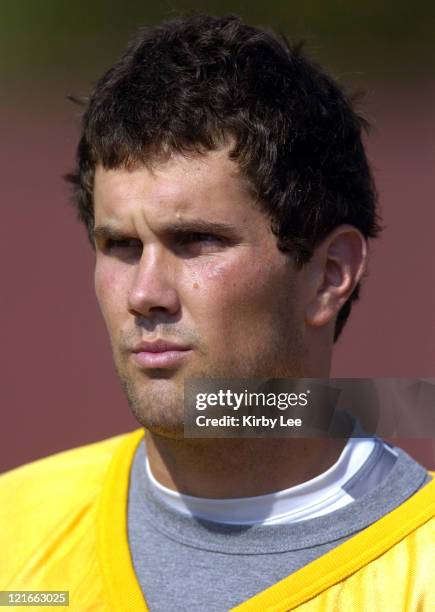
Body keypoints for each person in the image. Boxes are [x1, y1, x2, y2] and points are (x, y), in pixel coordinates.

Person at [1, 14, 433, 611]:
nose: (144, 292)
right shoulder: (13, 531)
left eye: (197, 241)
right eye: (120, 246)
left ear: (329, 274)